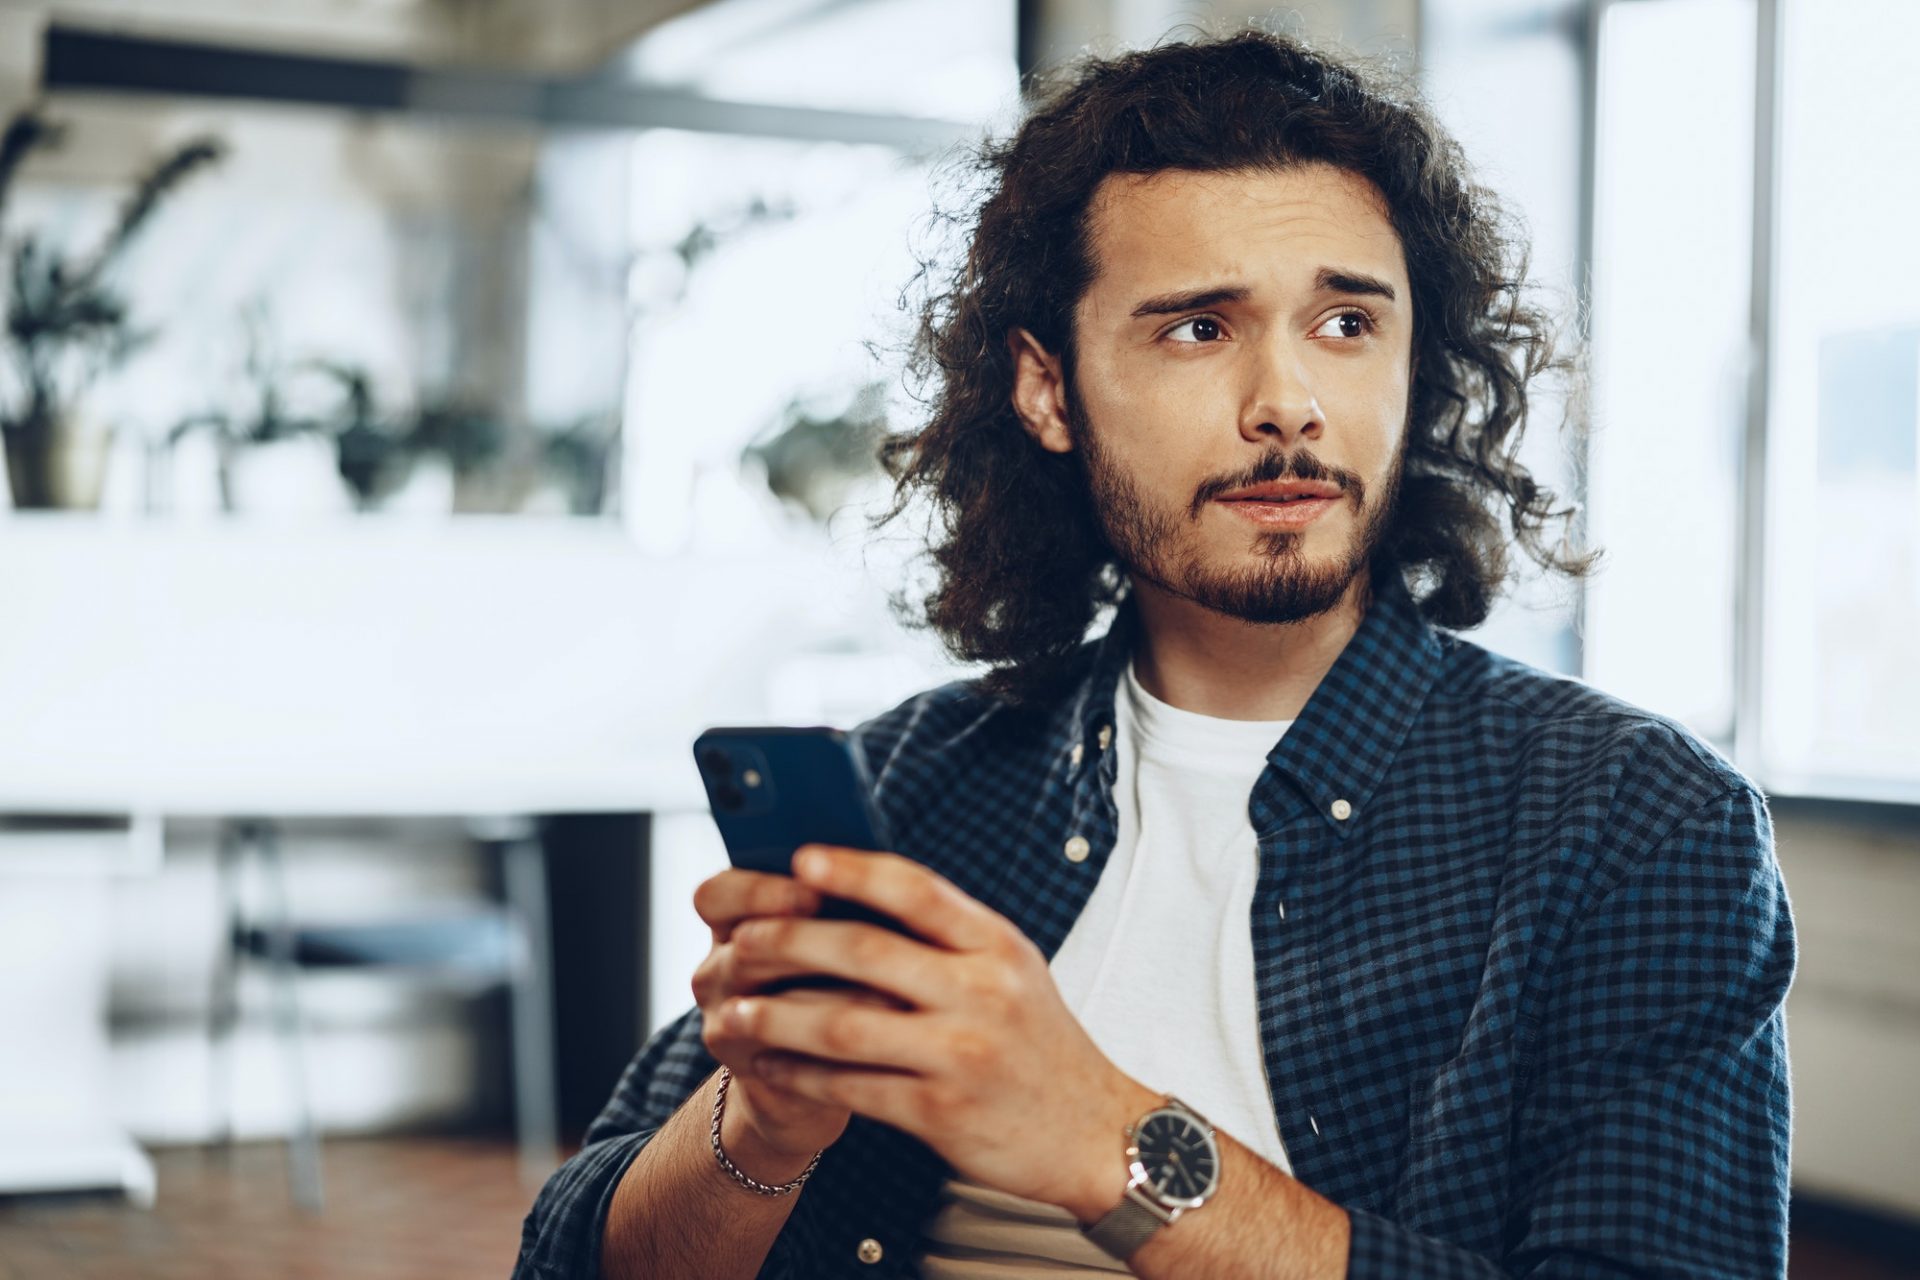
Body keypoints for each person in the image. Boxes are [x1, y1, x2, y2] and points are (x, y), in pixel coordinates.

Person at [514, 27, 1795, 1280]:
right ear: (1049, 390)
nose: (1287, 402)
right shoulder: (911, 781)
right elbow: (574, 1256)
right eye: (1199, 328)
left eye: (1347, 322)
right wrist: (764, 1124)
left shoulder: (1636, 824)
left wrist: (1103, 1136)